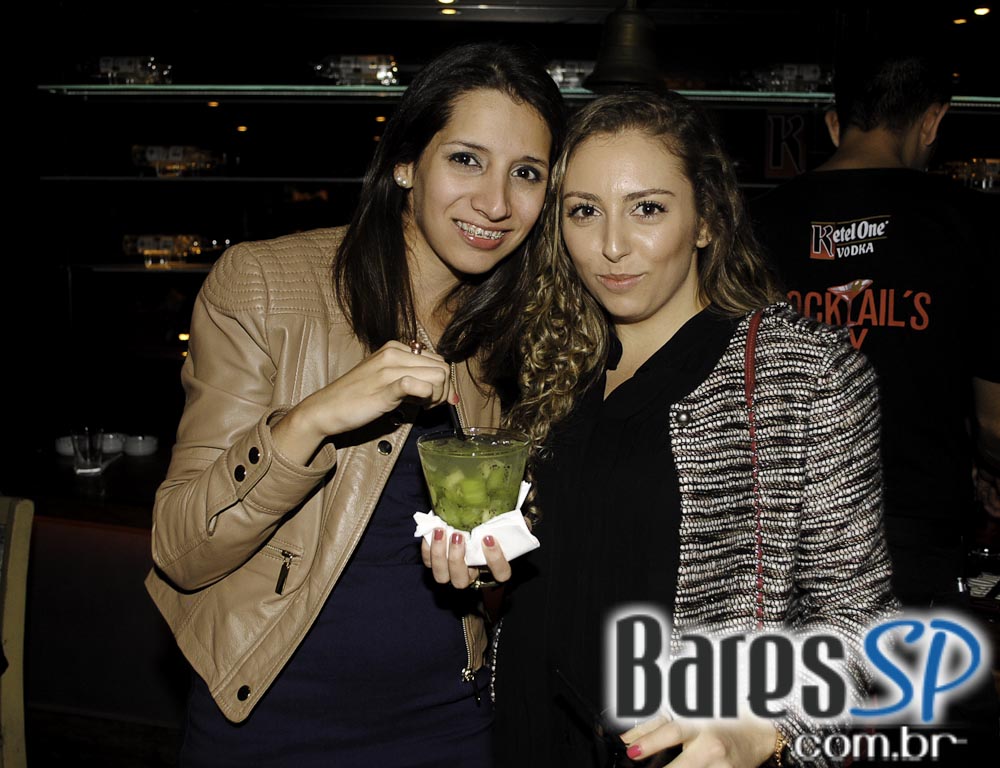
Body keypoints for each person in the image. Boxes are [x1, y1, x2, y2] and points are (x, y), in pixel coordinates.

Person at [143, 41, 564, 767]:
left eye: (525, 173)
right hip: (270, 718)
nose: (496, 203)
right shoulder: (265, 285)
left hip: (446, 721)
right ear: (405, 163)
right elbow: (181, 549)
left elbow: (498, 534)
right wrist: (311, 419)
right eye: (467, 159)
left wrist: (496, 544)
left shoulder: (513, 329)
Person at [491, 90, 898, 768]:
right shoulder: (549, 362)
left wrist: (765, 731)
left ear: (707, 218)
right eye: (584, 211)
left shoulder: (800, 371)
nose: (612, 246)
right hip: (523, 737)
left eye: (647, 208)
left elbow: (864, 635)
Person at [749, 48, 1000, 762]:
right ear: (932, 122)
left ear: (834, 124)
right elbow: (994, 424)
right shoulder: (973, 226)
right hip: (909, 549)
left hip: (776, 544)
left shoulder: (757, 223)